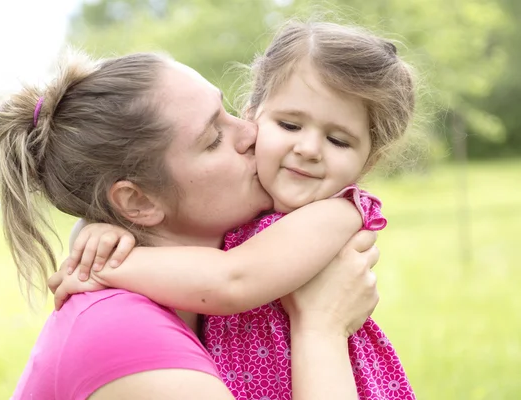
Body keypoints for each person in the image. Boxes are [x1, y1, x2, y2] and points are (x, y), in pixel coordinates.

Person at [0, 49, 380, 399]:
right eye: (213, 138)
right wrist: (322, 330)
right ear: (137, 202)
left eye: (230, 112)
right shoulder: (122, 334)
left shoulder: (303, 218)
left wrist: (97, 240)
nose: (251, 132)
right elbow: (232, 280)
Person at [53, 20, 417, 400]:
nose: (309, 148)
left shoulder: (336, 213)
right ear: (254, 116)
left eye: (338, 140)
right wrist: (98, 231)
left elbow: (233, 280)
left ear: (367, 161)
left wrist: (108, 266)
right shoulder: (247, 202)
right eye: (289, 124)